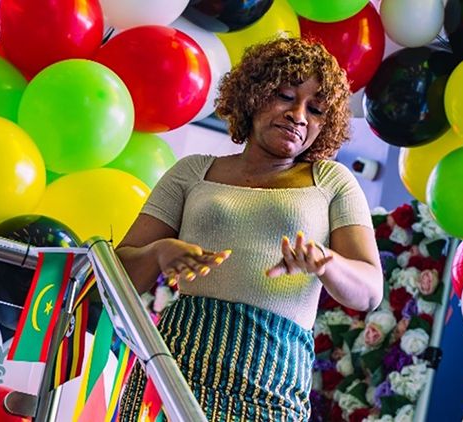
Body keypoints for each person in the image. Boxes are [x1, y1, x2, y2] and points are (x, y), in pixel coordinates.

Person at [117, 36, 384, 421]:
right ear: (253, 94)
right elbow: (118, 275)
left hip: (271, 389)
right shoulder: (193, 171)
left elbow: (369, 292)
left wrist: (326, 262)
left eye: (316, 109)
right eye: (286, 96)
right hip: (173, 370)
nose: (299, 115)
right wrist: (160, 253)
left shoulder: (332, 181)